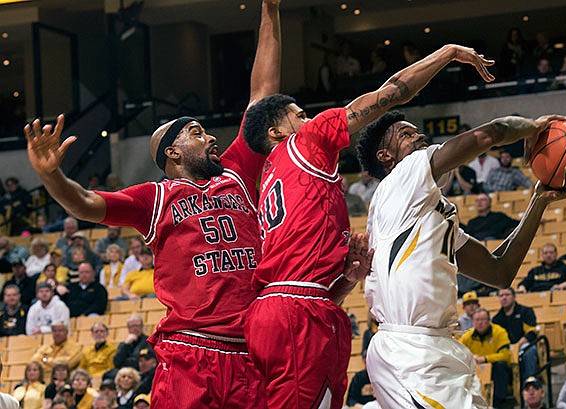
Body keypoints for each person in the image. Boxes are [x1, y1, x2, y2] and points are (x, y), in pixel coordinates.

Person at [24, 1, 282, 408]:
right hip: (191, 351)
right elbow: (86, 203)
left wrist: (271, 11)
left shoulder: (234, 173)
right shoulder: (154, 197)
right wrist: (51, 175)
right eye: (197, 133)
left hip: (253, 346)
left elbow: (262, 97)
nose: (211, 138)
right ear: (173, 153)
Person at [242, 43, 495, 409]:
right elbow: (394, 91)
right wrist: (447, 53)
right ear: (278, 132)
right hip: (297, 310)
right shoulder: (306, 141)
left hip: (292, 303)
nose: (309, 119)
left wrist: (344, 279)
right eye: (299, 115)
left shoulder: (270, 177)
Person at [356, 106, 566, 409]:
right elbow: (488, 134)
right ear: (386, 156)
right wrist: (534, 128)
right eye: (407, 134)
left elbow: (499, 272)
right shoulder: (403, 177)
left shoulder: (428, 214)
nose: (420, 135)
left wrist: (539, 200)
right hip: (409, 350)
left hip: (438, 347)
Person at [460, 309, 513, 408]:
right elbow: (459, 354)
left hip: (495, 370)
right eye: (477, 320)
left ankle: (499, 403)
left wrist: (485, 359)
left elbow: (505, 355)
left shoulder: (499, 332)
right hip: (474, 370)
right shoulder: (467, 336)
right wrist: (471, 358)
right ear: (473, 321)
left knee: (500, 365)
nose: (480, 323)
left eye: (483, 319)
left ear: (489, 320)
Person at [492, 288, 538, 382]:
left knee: (530, 350)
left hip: (522, 344)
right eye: (501, 296)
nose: (504, 298)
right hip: (506, 348)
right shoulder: (496, 319)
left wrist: (517, 346)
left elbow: (531, 332)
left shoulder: (526, 311)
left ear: (514, 297)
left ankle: (529, 382)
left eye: (507, 295)